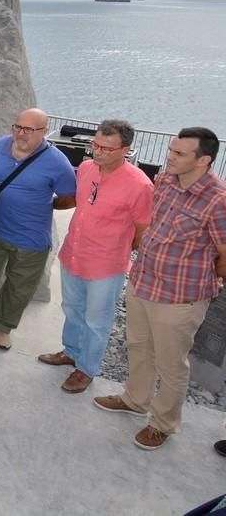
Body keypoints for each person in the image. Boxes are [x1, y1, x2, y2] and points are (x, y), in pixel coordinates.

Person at [94, 127, 226, 450]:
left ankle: (163, 423)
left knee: (171, 365)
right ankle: (136, 400)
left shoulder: (218, 200)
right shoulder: (165, 180)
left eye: (179, 154)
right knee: (138, 347)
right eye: (171, 149)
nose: (170, 157)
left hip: (180, 298)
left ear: (203, 160)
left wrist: (210, 285)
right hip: (143, 282)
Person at [38, 120, 153, 393]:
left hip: (106, 264)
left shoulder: (140, 185)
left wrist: (120, 249)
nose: (97, 152)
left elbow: (142, 229)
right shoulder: (87, 169)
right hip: (74, 254)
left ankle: (86, 369)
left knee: (96, 321)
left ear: (125, 149)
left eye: (106, 148)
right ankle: (71, 351)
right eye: (95, 144)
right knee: (71, 308)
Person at [0, 108, 77, 350]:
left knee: (18, 287)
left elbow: (69, 198)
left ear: (44, 132)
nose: (21, 134)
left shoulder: (58, 163)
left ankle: (2, 329)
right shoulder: (0, 146)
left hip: (31, 239)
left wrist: (45, 205)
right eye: (18, 127)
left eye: (29, 130)